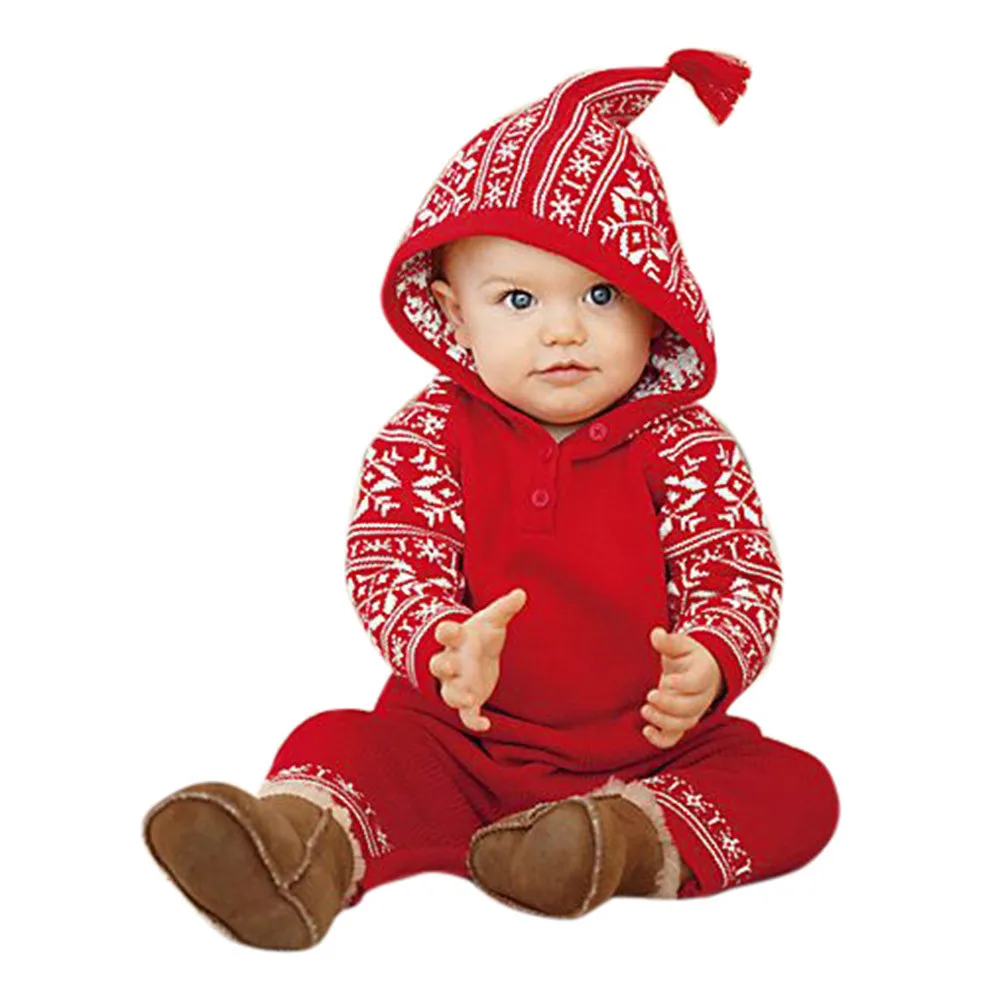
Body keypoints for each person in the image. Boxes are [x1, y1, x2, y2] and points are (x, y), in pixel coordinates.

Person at [142, 47, 839, 950]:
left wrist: (710, 655)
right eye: (517, 299)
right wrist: (441, 640)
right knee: (338, 738)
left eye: (601, 294)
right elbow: (390, 557)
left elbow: (735, 567)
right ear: (453, 312)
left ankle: (612, 843)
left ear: (658, 304)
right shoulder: (425, 434)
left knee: (798, 789)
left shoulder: (687, 443)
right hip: (459, 746)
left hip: (644, 755)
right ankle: (296, 850)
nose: (564, 329)